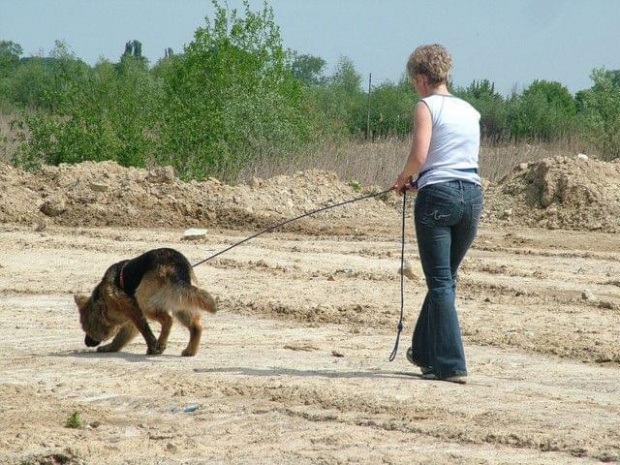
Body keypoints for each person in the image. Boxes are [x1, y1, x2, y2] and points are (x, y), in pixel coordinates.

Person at [391, 44, 483, 384]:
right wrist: (423, 181)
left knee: (441, 282)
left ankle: (451, 363)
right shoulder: (471, 111)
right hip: (472, 196)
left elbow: (420, 154)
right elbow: (455, 161)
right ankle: (424, 351)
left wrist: (404, 179)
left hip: (438, 199)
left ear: (420, 78)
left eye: (414, 82)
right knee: (446, 279)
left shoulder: (426, 106)